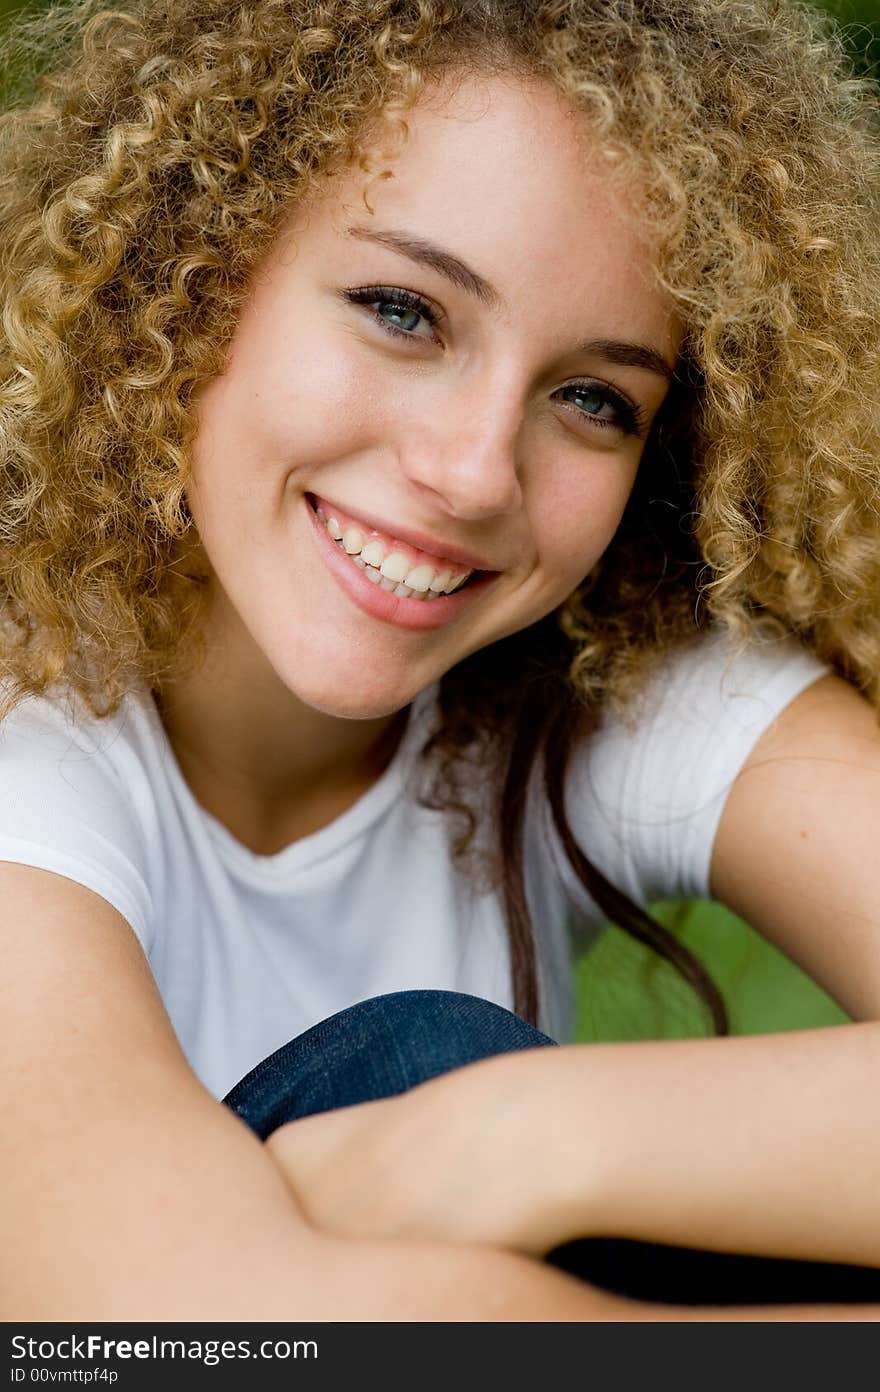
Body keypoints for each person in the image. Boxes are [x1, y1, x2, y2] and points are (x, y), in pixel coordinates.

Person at [1, 0, 878, 1322]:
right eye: (402, 310)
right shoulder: (31, 747)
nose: (472, 474)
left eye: (595, 400)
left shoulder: (587, 689)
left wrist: (521, 1141)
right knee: (417, 1058)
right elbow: (171, 1315)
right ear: (185, 275)